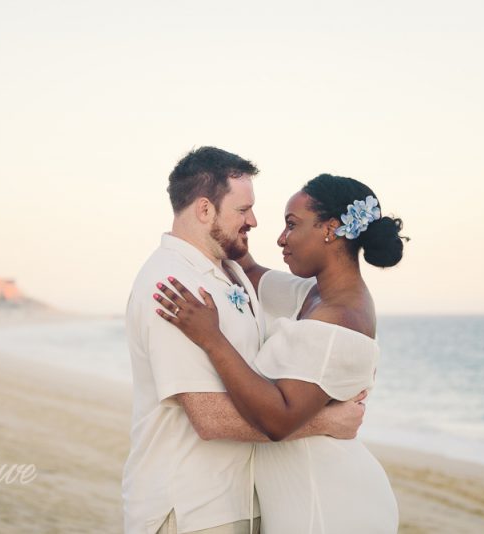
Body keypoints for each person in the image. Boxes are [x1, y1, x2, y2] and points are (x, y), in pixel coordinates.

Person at [123, 150, 368, 534]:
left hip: (240, 502)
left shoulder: (232, 272)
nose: (253, 221)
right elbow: (208, 417)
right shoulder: (172, 287)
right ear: (205, 210)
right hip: (191, 509)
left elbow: (327, 296)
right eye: (243, 210)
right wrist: (325, 421)